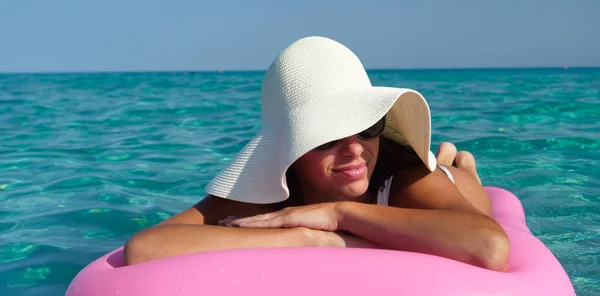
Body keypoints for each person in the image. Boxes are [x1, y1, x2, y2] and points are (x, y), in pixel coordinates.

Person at [123, 36, 510, 272]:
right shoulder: (271, 191)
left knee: (456, 176)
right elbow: (146, 247)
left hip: (437, 185)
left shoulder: (403, 176)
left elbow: (489, 246)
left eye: (368, 126)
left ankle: (455, 166)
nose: (355, 147)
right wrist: (311, 237)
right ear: (289, 151)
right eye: (327, 137)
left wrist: (337, 214)